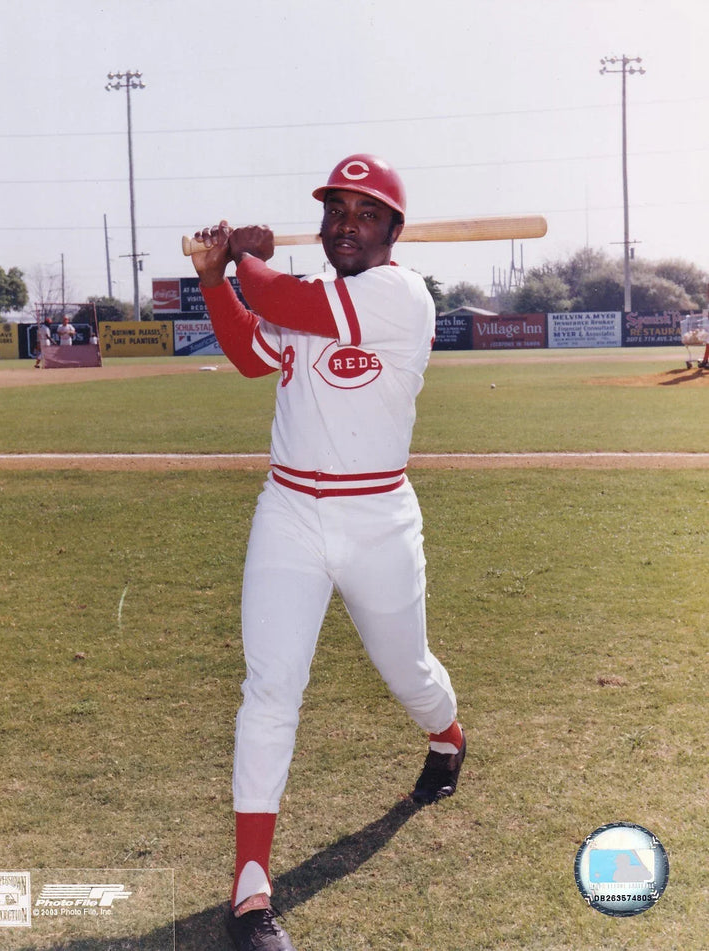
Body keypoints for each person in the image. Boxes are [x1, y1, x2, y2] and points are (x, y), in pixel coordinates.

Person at [191, 154, 465, 951]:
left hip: (378, 516)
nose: (347, 223)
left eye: (366, 213)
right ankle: (250, 889)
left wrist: (243, 256)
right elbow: (252, 351)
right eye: (336, 210)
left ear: (392, 233)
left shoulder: (399, 295)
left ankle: (446, 735)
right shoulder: (313, 299)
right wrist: (217, 279)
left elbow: (274, 294)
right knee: (270, 689)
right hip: (290, 514)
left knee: (408, 668)